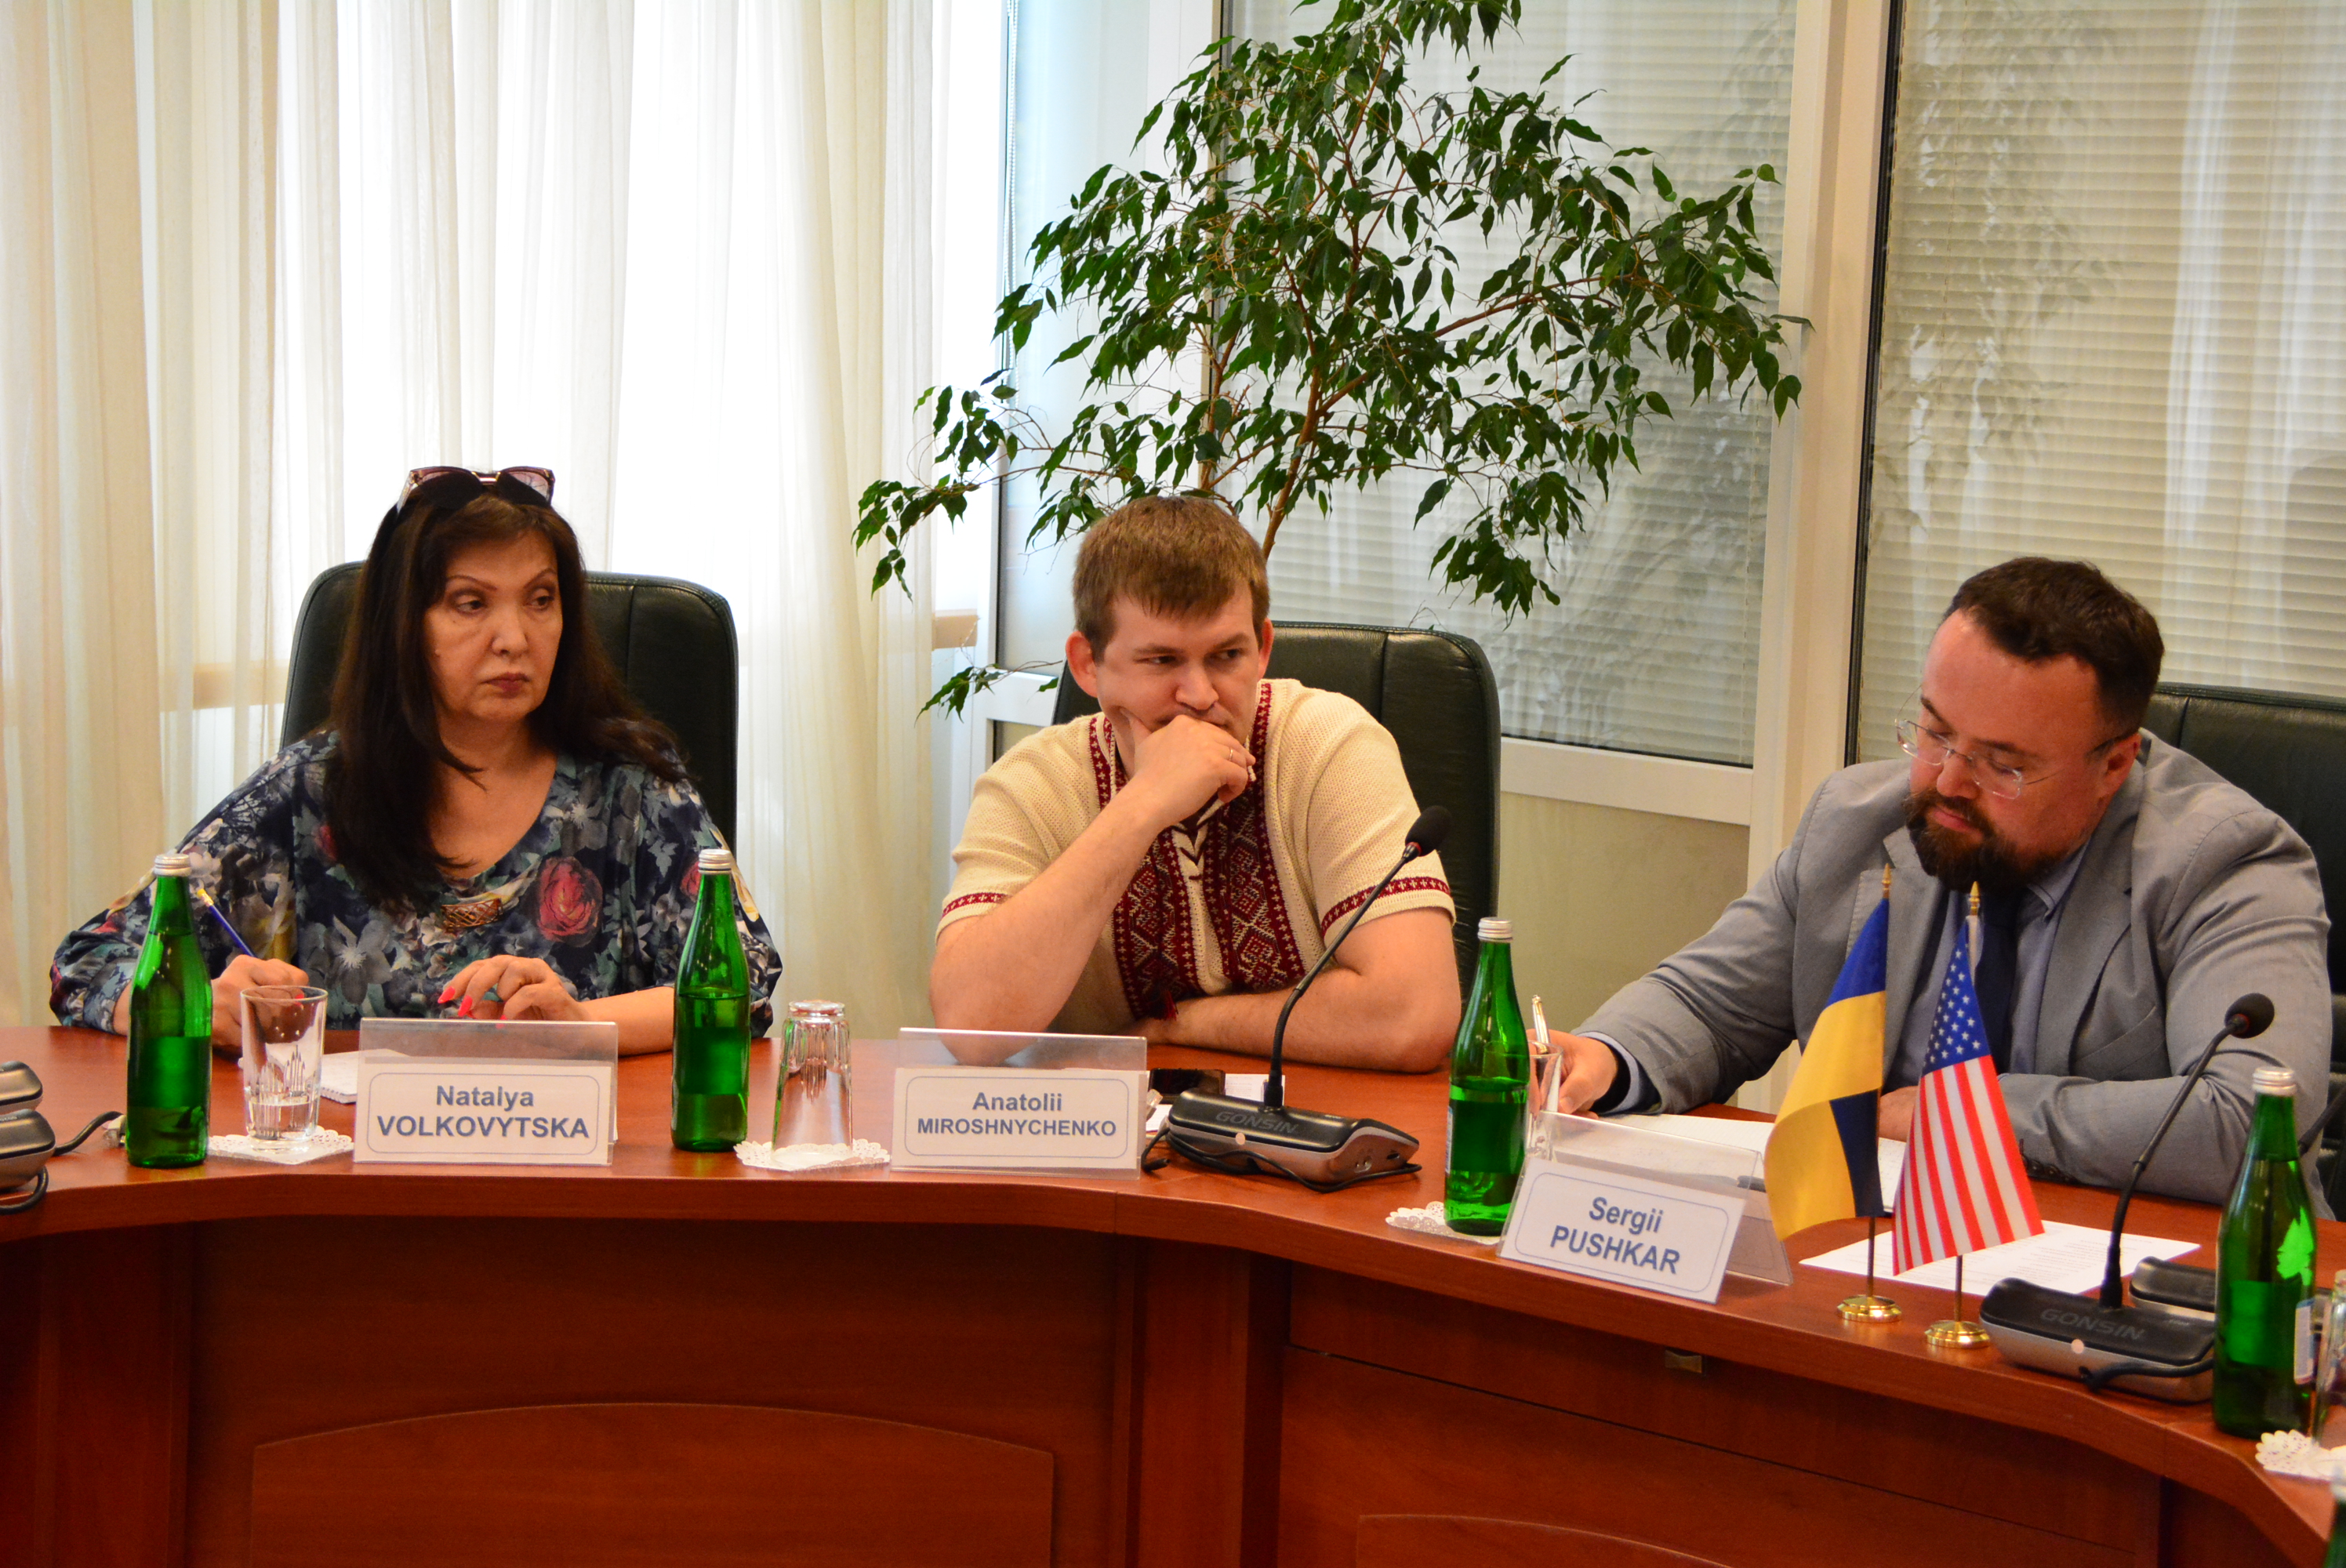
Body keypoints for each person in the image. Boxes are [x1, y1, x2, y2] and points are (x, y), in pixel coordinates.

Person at [1544, 557, 2330, 1204]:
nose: (1948, 781)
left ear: (2114, 765)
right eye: (1935, 731)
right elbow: (1709, 1006)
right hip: (1878, 1258)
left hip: (2144, 1281)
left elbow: (2248, 1115)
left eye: (2003, 764)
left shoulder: (2224, 861)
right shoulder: (1856, 821)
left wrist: (1966, 1116)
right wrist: (1608, 1057)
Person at [51, 465, 779, 1054]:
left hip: (572, 1166)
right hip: (353, 1171)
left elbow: (740, 983)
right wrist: (198, 1002)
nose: (515, 638)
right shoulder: (312, 790)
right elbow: (89, 962)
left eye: (540, 599)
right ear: (404, 625)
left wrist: (582, 1023)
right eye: (471, 604)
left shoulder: (632, 789)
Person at [933, 495, 1460, 1071]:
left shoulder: (1331, 744)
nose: (1201, 696)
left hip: (1314, 1114)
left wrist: (1178, 1025)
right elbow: (970, 1028)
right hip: (1109, 1123)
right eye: (1161, 661)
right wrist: (1142, 806)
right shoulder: (1030, 784)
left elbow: (1414, 1016)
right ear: (1087, 664)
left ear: (1263, 649)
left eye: (1227, 655)